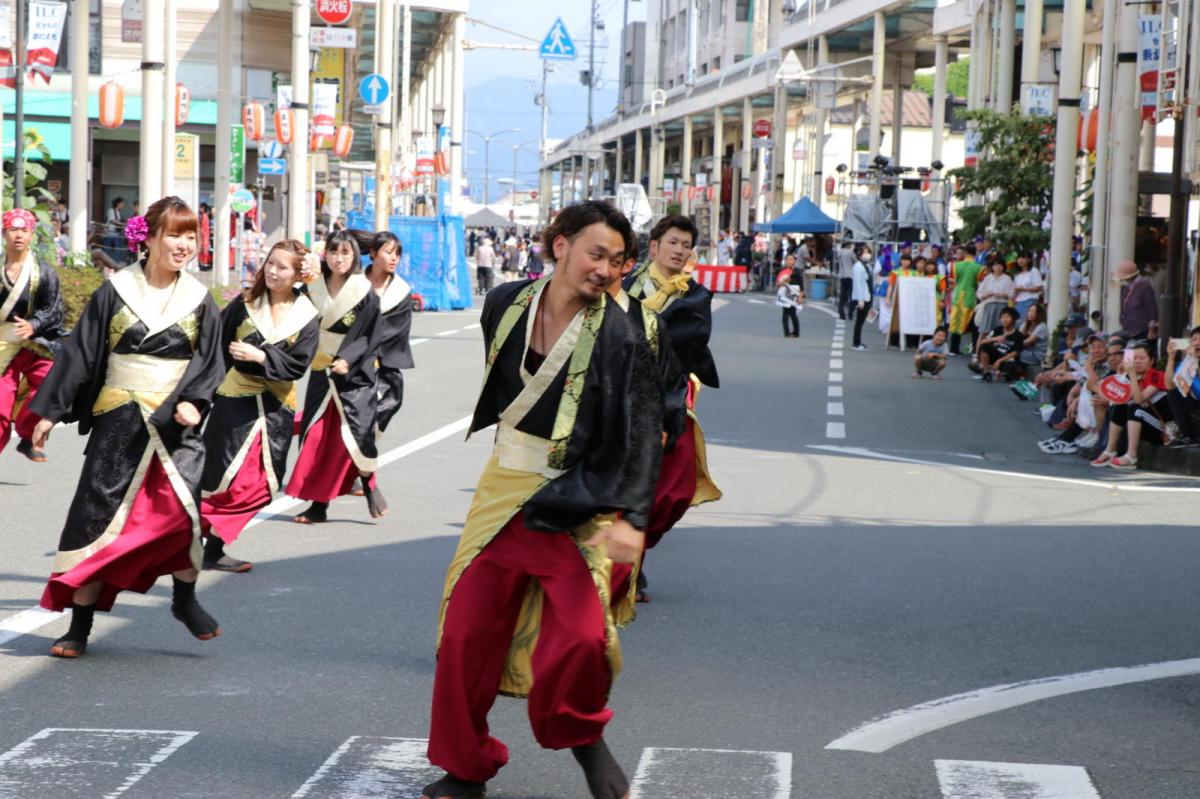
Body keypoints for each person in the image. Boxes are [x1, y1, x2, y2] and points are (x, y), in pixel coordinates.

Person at [423, 202, 663, 799]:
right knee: (464, 634)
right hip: (504, 485)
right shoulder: (504, 303)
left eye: (616, 260)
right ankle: (464, 766)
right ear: (559, 246)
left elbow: (642, 427)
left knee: (583, 639)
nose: (606, 270)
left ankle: (585, 741)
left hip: (578, 497)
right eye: (595, 253)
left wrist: (632, 516)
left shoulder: (624, 328)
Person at [28, 196, 225, 658]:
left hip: (177, 424)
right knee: (97, 520)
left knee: (182, 516)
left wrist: (195, 402)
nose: (184, 244)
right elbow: (80, 355)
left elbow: (209, 363)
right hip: (119, 423)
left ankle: (184, 599)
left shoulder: (200, 299)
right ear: (150, 237)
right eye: (175, 234)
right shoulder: (116, 291)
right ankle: (79, 626)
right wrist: (48, 414)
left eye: (191, 235)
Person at [199, 241, 320, 572]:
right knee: (223, 478)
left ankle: (205, 542)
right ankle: (200, 542)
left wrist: (262, 356)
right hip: (234, 401)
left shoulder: (306, 315)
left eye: (283, 267)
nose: (273, 271)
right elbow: (215, 349)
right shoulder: (245, 304)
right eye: (270, 263)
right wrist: (198, 396)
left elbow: (299, 365)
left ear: (298, 274)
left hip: (276, 406)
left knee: (263, 485)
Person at [622, 214, 722, 599]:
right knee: (629, 485)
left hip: (669, 399)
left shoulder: (695, 295)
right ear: (654, 247)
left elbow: (691, 341)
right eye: (673, 242)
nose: (680, 250)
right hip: (622, 396)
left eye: (686, 245)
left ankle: (636, 551)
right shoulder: (625, 285)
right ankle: (626, 571)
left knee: (674, 491)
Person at [288, 229, 384, 524]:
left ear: (355, 255)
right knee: (315, 438)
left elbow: (371, 335)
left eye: (345, 252)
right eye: (333, 252)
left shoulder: (363, 291)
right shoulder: (311, 287)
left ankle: (369, 483)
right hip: (320, 370)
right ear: (324, 255)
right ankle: (318, 505)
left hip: (352, 375)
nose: (339, 258)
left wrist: (348, 358)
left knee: (355, 437)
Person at [0, 209, 65, 462]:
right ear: (5, 233)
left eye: (24, 230)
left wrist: (34, 325)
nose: (18, 235)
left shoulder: (44, 272)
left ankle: (28, 436)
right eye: (13, 230)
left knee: (53, 383)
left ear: (31, 235)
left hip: (34, 344)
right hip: (3, 345)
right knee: (1, 408)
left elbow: (54, 310)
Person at [363, 231, 415, 438]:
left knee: (391, 398)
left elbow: (396, 330)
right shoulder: (355, 284)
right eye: (389, 252)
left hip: (382, 363)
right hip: (347, 359)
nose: (394, 258)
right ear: (373, 253)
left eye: (398, 254)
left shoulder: (401, 291)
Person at [1091, 341, 1170, 469]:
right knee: (1121, 405)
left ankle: (1131, 456)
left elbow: (1139, 400)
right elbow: (1114, 394)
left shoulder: (1157, 375)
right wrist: (1120, 376)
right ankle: (1110, 450)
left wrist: (1132, 374)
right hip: (1145, 424)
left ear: (1151, 361)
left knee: (1135, 409)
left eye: (1142, 358)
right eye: (1134, 358)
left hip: (1162, 428)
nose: (1137, 362)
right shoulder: (1132, 376)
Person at [1163, 328, 1200, 448]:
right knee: (1173, 394)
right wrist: (1171, 357)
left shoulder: (1192, 360)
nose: (1197, 343)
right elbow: (1170, 386)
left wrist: (1193, 360)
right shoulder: (1188, 362)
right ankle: (1188, 436)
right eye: (1194, 339)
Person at [948, 244, 983, 355]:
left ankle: (953, 349)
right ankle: (974, 350)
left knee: (956, 321)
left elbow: (955, 280)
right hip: (971, 296)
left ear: (965, 253)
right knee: (973, 324)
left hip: (958, 296)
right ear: (975, 253)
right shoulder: (979, 268)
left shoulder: (956, 266)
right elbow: (979, 283)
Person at [974, 307, 1023, 382]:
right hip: (995, 355)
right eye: (1003, 317)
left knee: (1010, 368)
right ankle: (986, 372)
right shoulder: (997, 330)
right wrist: (995, 339)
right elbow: (982, 342)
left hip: (1007, 358)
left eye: (1007, 317)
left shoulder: (1018, 335)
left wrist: (1000, 360)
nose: (1004, 320)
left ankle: (1000, 372)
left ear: (1013, 319)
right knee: (984, 346)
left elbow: (1015, 353)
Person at [1114, 259, 1158, 341]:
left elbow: (1152, 309)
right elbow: (1123, 306)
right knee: (1128, 353)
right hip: (1127, 329)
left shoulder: (1145, 287)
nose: (1122, 280)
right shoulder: (1124, 288)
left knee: (1139, 352)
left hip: (1141, 331)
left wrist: (1151, 330)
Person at [974, 255, 1015, 342]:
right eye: (995, 265)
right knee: (983, 332)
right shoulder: (988, 278)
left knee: (1001, 331)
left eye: (1000, 265)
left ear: (1003, 267)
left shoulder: (1007, 279)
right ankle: (978, 353)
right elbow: (979, 294)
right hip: (989, 306)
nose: (998, 267)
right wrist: (987, 295)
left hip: (1002, 306)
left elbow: (1012, 294)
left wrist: (1002, 295)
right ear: (992, 267)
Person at [851, 245, 874, 351]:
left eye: (868, 252)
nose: (867, 254)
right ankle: (856, 343)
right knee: (859, 321)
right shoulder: (858, 266)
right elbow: (857, 284)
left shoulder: (867, 266)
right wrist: (860, 300)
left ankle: (859, 342)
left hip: (867, 296)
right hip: (861, 298)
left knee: (861, 321)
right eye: (865, 252)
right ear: (859, 254)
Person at [1012, 252, 1044, 319]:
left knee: (1026, 321)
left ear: (1029, 260)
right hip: (1019, 301)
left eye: (1023, 258)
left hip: (1030, 300)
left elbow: (1039, 288)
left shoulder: (1033, 271)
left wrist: (1024, 289)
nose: (1020, 260)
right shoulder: (1017, 274)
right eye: (1019, 258)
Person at [836, 240, 856, 320]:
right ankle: (850, 314)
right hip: (850, 275)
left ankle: (841, 314)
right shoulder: (850, 252)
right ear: (848, 245)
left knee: (842, 296)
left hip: (842, 275)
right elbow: (856, 261)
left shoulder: (839, 252)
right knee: (851, 296)